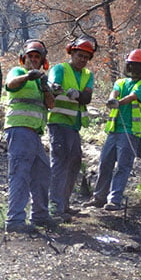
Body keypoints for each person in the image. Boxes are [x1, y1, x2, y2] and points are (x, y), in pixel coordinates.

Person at [84, 49, 141, 211]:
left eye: (137, 66)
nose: (134, 69)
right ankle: (99, 197)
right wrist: (112, 98)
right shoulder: (121, 82)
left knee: (123, 166)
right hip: (114, 131)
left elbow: (132, 97)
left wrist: (118, 103)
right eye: (132, 66)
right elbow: (115, 91)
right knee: (105, 164)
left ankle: (114, 199)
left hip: (130, 132)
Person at [4, 39, 57, 233]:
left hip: (34, 134)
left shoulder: (41, 82)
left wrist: (44, 86)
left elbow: (51, 105)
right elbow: (10, 84)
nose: (33, 60)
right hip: (19, 129)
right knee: (20, 174)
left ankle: (40, 215)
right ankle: (15, 220)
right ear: (23, 59)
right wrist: (28, 76)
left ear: (43, 61)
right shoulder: (18, 73)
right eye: (30, 57)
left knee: (42, 172)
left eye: (37, 57)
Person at [47, 35, 96, 219]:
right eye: (80, 55)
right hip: (58, 122)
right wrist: (57, 87)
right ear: (72, 53)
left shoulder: (87, 75)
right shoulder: (60, 69)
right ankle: (55, 206)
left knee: (74, 161)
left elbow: (87, 98)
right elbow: (52, 84)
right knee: (59, 161)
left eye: (86, 57)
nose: (82, 60)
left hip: (74, 125)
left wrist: (77, 95)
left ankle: (64, 203)